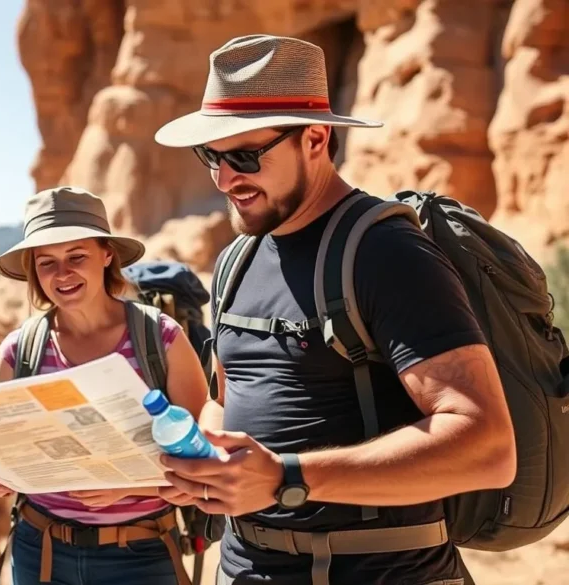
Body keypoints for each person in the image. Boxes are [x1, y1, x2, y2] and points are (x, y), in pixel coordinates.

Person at [150, 35, 516, 585]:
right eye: (212, 157)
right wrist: (203, 461)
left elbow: (487, 447)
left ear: (316, 138)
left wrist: (285, 477)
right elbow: (226, 402)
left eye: (245, 155)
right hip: (243, 568)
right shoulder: (234, 260)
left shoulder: (386, 253)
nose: (225, 179)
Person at [0, 186, 210, 585]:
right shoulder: (20, 351)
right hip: (41, 550)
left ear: (107, 255)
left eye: (76, 257)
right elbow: (0, 452)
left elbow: (203, 462)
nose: (62, 274)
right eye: (47, 262)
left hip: (141, 553)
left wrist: (130, 484)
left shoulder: (161, 339)